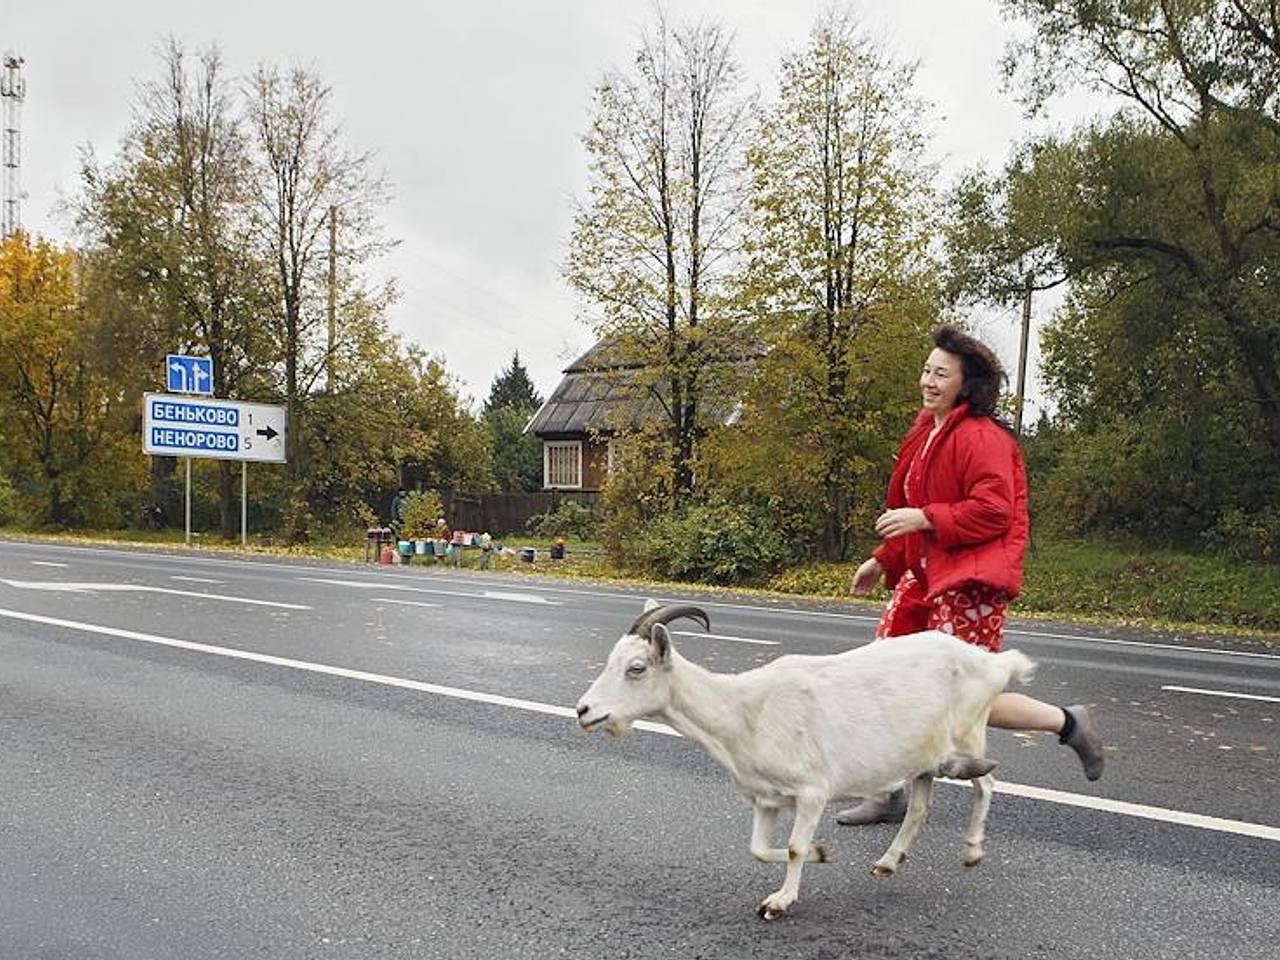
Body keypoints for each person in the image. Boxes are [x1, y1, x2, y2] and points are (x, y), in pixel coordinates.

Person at [835, 325, 1104, 826]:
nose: (928, 380)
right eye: (926, 370)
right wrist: (885, 559)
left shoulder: (983, 438)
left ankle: (1070, 722)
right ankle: (889, 791)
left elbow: (993, 511)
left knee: (968, 695)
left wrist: (926, 518)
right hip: (924, 573)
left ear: (966, 383)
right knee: (886, 676)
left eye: (941, 373)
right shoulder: (926, 430)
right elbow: (910, 511)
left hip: (970, 580)